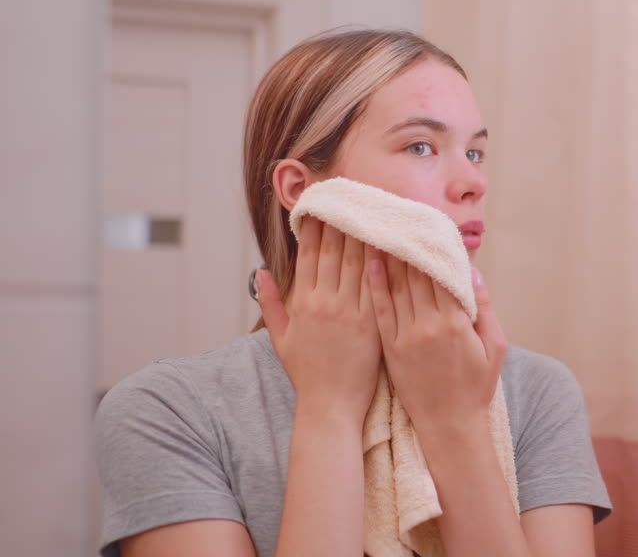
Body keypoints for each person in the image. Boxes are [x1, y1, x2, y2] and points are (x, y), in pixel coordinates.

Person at [94, 29, 611, 557]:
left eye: (475, 152)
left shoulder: (539, 393)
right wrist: (329, 411)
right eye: (421, 146)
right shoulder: (169, 410)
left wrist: (456, 424)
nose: (474, 183)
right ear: (303, 191)